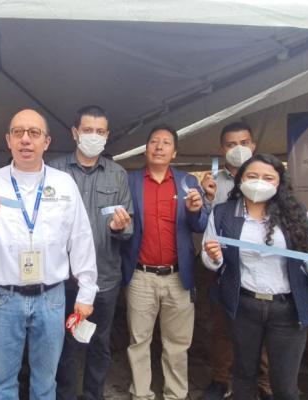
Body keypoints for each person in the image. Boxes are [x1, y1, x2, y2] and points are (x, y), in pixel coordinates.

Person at [0, 109, 98, 399]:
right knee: (1, 382)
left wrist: (86, 293)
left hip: (52, 297)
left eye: (34, 133)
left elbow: (81, 239)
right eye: (18, 132)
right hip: (3, 298)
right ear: (8, 140)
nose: (26, 139)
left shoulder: (63, 184)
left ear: (46, 142)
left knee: (45, 381)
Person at [202, 153, 308, 400]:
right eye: (252, 176)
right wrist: (214, 256)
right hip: (243, 305)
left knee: (284, 384)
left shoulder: (296, 214)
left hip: (287, 308)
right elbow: (212, 261)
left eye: (267, 178)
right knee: (243, 375)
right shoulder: (222, 213)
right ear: (240, 179)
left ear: (279, 183)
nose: (258, 182)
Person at [50, 105, 133, 400]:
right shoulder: (55, 172)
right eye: (87, 130)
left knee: (99, 344)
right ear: (75, 133)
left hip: (104, 278)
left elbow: (129, 229)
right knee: (65, 345)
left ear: (107, 136)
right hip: (63, 278)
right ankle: (65, 395)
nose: (93, 136)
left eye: (100, 132)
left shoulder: (118, 174)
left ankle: (94, 395)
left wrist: (119, 226)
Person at [122, 124, 208, 400]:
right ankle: (141, 394)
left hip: (178, 276)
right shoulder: (130, 181)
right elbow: (120, 224)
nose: (159, 147)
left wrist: (196, 212)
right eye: (154, 142)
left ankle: (175, 394)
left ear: (174, 152)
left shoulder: (188, 183)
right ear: (146, 149)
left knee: (177, 344)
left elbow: (201, 224)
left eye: (166, 143)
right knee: (138, 342)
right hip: (140, 276)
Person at [200, 121, 274, 400]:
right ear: (222, 149)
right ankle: (221, 378)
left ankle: (264, 383)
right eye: (231, 145)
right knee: (221, 325)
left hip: (261, 265)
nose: (238, 149)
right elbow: (201, 224)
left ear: (253, 146)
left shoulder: (267, 178)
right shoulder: (213, 182)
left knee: (262, 327)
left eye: (244, 143)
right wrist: (205, 200)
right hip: (222, 266)